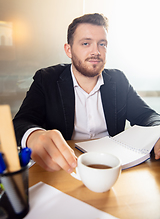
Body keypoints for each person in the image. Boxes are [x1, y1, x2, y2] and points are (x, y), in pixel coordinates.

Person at [13, 13, 160, 173]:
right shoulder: (46, 79)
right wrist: (34, 135)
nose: (96, 51)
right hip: (66, 168)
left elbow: (148, 116)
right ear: (68, 50)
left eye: (102, 44)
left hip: (113, 169)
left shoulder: (118, 80)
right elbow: (21, 122)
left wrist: (158, 132)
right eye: (85, 43)